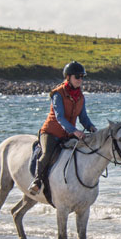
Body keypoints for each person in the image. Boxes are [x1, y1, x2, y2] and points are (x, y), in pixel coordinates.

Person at [27, 61, 97, 195]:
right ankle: (37, 181)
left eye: (82, 77)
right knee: (47, 153)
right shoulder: (57, 94)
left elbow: (83, 118)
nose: (80, 80)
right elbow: (60, 118)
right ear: (68, 77)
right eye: (77, 77)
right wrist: (74, 131)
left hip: (68, 134)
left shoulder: (80, 97)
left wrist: (92, 128)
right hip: (50, 132)